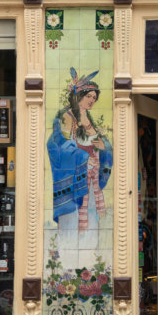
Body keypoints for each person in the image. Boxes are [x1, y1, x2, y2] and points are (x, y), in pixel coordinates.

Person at [46, 68, 113, 229]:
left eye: (94, 98)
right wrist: (83, 156)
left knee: (92, 219)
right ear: (80, 96)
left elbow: (101, 143)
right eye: (89, 96)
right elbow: (58, 145)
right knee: (74, 221)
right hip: (77, 176)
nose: (92, 100)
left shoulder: (89, 118)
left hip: (92, 176)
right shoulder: (67, 116)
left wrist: (104, 147)